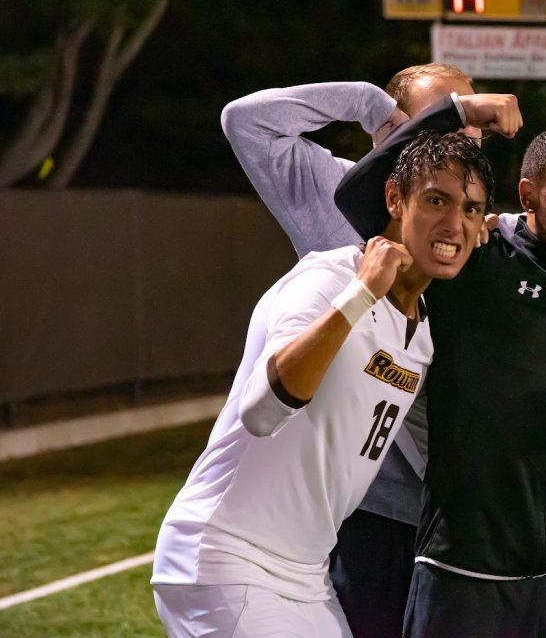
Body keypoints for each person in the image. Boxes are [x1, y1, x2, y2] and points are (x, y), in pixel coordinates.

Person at [151, 132, 493, 638]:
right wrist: (360, 296)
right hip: (228, 555)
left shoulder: (420, 332)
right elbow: (263, 411)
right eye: (436, 200)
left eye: (470, 209)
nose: (453, 222)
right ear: (395, 199)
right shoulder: (329, 279)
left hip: (306, 571)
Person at [219, 67, 514, 638]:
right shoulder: (337, 204)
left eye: (471, 127)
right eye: (441, 124)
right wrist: (363, 101)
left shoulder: (474, 224)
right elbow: (245, 122)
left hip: (452, 503)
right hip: (362, 507)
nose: (460, 139)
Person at [335, 111, 546, 638]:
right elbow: (356, 196)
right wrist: (458, 112)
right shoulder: (474, 264)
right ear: (529, 195)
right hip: (468, 567)